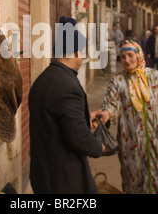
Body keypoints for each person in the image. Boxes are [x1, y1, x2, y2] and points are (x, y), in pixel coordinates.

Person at [93, 40, 158, 194]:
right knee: (134, 181)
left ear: (138, 55)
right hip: (132, 144)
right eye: (123, 57)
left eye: (130, 55)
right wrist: (107, 113)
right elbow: (112, 104)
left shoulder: (156, 77)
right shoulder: (117, 81)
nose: (127, 60)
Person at [29, 16, 104, 194]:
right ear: (76, 52)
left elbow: (56, 122)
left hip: (43, 175)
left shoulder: (43, 79)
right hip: (63, 182)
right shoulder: (67, 86)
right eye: (83, 51)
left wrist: (85, 119)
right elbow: (78, 138)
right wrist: (98, 147)